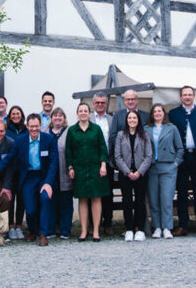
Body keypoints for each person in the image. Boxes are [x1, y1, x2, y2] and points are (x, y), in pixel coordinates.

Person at [0, 113, 58, 245]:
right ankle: (33, 231)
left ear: (40, 126)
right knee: (31, 209)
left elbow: (53, 163)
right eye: (31, 126)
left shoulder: (49, 140)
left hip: (44, 177)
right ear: (27, 126)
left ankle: (43, 234)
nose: (34, 129)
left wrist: (49, 182)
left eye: (36, 126)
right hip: (28, 177)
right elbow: (9, 157)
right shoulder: (20, 141)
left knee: (45, 199)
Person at [168, 85, 196, 236]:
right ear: (181, 97)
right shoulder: (173, 114)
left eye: (190, 94)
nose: (187, 97)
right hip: (182, 158)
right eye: (184, 95)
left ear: (194, 96)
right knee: (181, 192)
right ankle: (183, 225)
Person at [65, 102, 110, 241]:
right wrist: (70, 167)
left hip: (95, 169)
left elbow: (103, 148)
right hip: (80, 169)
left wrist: (103, 165)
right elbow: (68, 151)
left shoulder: (96, 129)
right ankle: (84, 231)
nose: (83, 113)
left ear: (89, 113)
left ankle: (96, 231)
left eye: (85, 110)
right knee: (82, 199)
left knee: (97, 198)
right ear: (77, 113)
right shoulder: (72, 130)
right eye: (81, 110)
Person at [146, 103, 182, 239]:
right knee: (154, 199)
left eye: (159, 111)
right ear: (152, 114)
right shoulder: (146, 129)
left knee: (166, 198)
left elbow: (180, 148)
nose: (157, 113)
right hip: (152, 167)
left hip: (168, 166)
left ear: (164, 113)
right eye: (154, 111)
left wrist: (176, 163)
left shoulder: (172, 128)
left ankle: (167, 227)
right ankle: (157, 227)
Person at [114, 110, 152, 242]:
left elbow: (149, 156)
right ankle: (129, 228)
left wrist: (139, 172)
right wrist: (127, 172)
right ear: (126, 120)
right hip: (125, 174)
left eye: (134, 118)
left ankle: (140, 229)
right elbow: (117, 156)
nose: (132, 120)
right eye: (129, 118)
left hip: (141, 173)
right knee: (127, 201)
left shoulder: (144, 135)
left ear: (138, 120)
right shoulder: (120, 135)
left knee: (140, 201)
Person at [89, 92, 113, 233]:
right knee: (93, 193)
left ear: (106, 104)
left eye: (102, 102)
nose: (100, 105)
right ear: (93, 104)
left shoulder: (111, 119)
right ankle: (93, 225)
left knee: (107, 193)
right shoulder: (88, 118)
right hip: (92, 162)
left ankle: (108, 223)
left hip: (108, 161)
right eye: (97, 102)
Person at [48, 108, 73, 239]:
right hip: (50, 175)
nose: (57, 118)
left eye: (60, 116)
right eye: (55, 116)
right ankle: (51, 229)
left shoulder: (69, 132)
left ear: (64, 118)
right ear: (51, 118)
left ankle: (65, 230)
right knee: (50, 203)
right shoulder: (45, 132)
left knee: (66, 203)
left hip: (65, 173)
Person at [5, 105, 28, 238]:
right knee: (9, 199)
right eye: (13, 114)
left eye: (17, 114)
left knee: (22, 199)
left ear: (21, 115)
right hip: (10, 170)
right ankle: (9, 226)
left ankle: (18, 225)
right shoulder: (6, 129)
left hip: (23, 169)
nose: (15, 116)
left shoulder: (26, 129)